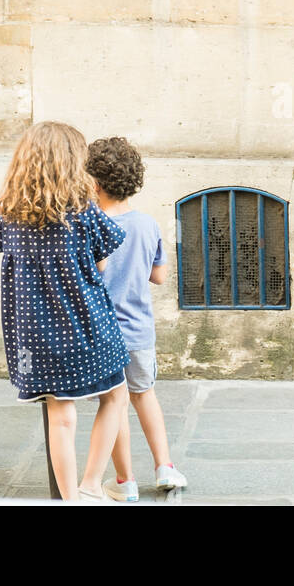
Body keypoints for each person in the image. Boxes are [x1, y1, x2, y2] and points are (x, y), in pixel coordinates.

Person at [0, 122, 132, 501]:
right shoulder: (83, 212)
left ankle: (69, 500)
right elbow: (101, 264)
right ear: (73, 164)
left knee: (60, 417)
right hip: (85, 325)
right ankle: (90, 485)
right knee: (116, 396)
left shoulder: (9, 214)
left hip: (34, 336)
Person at [85, 136, 187, 502]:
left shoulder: (89, 225)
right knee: (145, 396)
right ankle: (165, 467)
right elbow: (158, 277)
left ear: (93, 183)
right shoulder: (148, 224)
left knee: (114, 405)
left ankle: (124, 481)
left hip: (103, 335)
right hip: (139, 331)